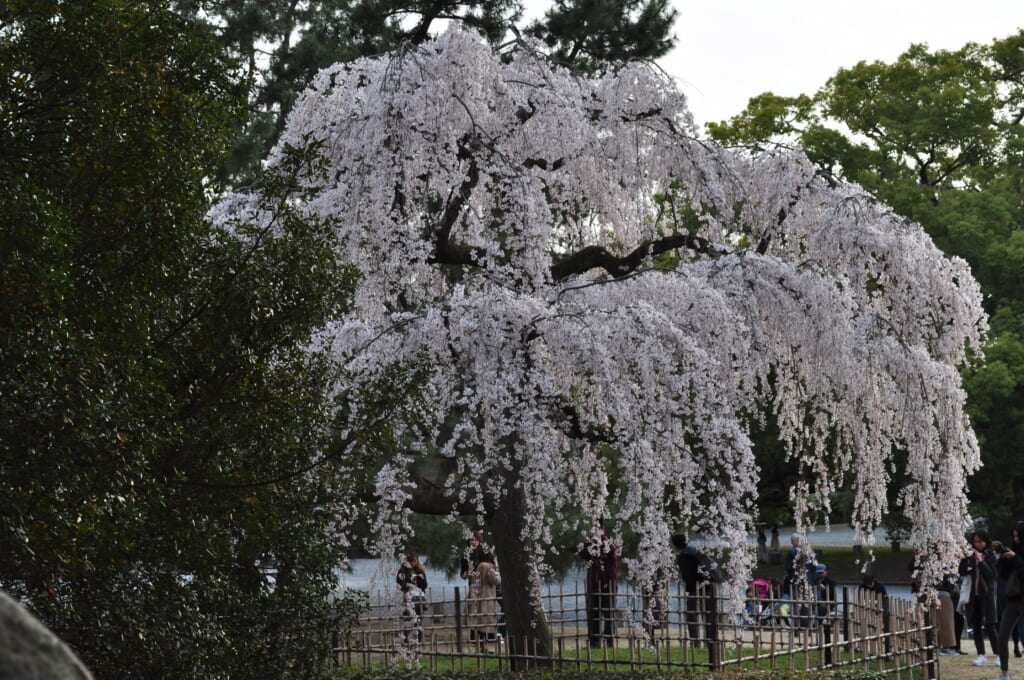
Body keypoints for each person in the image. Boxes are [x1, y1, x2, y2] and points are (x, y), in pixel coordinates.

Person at [959, 529, 999, 666]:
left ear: (986, 541)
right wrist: (964, 558)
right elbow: (962, 572)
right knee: (976, 626)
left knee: (990, 625)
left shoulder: (990, 555)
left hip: (986, 595)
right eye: (975, 542)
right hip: (973, 595)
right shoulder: (970, 555)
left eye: (980, 541)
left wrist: (980, 561)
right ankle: (981, 655)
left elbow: (992, 575)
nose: (977, 544)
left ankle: (999, 655)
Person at [579, 521, 618, 648]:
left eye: (598, 528)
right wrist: (589, 541)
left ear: (603, 529)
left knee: (609, 613)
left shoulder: (608, 543)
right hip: (594, 583)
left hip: (609, 583)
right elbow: (582, 553)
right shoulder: (590, 544)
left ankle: (609, 641)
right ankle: (595, 642)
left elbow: (611, 550)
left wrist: (600, 540)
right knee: (594, 613)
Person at [672, 533, 718, 643]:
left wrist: (690, 586)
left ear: (675, 545)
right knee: (708, 616)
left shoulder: (684, 557)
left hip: (695, 588)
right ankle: (710, 641)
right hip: (709, 586)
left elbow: (688, 576)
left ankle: (695, 641)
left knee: (691, 616)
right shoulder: (697, 551)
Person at [995, 521, 1024, 680]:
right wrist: (1004, 559)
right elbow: (1004, 575)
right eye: (1014, 537)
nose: (1016, 540)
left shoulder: (1018, 555)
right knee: (1002, 635)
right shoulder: (1014, 551)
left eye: (1018, 537)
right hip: (1012, 599)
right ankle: (1004, 674)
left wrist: (1014, 559)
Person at [461, 530, 499, 643]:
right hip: (474, 585)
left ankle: (491, 637)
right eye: (471, 540)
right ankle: (475, 638)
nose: (473, 542)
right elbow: (462, 573)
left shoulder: (485, 551)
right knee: (474, 610)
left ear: (479, 540)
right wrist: (466, 574)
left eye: (476, 540)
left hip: (487, 585)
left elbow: (493, 565)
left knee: (488, 610)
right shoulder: (465, 555)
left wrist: (483, 567)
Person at [396, 552, 428, 643]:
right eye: (411, 561)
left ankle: (419, 641)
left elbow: (424, 585)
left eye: (415, 561)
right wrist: (409, 580)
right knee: (407, 620)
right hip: (408, 597)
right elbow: (400, 584)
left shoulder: (420, 570)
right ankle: (406, 641)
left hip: (419, 597)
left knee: (418, 621)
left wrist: (420, 579)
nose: (413, 564)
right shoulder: (402, 572)